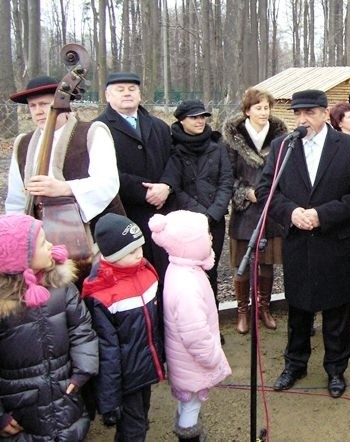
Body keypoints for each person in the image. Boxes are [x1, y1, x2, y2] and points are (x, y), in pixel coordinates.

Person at [256, 89, 350, 398]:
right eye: (297, 113)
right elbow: (266, 189)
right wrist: (293, 213)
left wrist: (322, 215)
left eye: (309, 112)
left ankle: (336, 369)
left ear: (325, 114)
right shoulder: (283, 146)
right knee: (298, 309)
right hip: (298, 242)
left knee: (336, 310)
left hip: (335, 242)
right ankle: (295, 364)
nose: (303, 118)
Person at [0, 214, 98, 440]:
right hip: (21, 409)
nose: (51, 246)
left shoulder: (60, 286)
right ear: (20, 259)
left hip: (66, 392)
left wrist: (83, 370)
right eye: (43, 243)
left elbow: (81, 328)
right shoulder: (5, 307)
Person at [81, 213, 165, 441]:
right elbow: (106, 350)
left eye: (140, 247)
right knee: (134, 429)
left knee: (140, 419)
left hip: (145, 368)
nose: (139, 254)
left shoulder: (147, 273)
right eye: (131, 251)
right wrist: (109, 400)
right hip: (125, 379)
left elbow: (156, 324)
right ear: (113, 255)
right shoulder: (102, 295)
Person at [149, 210, 231, 442]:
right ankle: (189, 436)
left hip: (185, 361)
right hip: (192, 361)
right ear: (189, 243)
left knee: (188, 402)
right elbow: (194, 334)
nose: (211, 237)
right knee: (191, 405)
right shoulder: (187, 285)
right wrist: (213, 357)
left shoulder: (182, 269)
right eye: (206, 234)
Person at [5, 75, 121, 233]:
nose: (38, 111)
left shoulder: (92, 132)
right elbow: (16, 199)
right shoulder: (23, 143)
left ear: (63, 103)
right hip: (40, 234)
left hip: (93, 231)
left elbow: (107, 183)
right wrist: (20, 232)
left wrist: (65, 188)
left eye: (44, 104)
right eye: (32, 106)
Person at [94, 72, 178, 287]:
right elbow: (103, 173)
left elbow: (174, 161)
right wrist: (145, 192)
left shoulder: (159, 126)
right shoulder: (97, 129)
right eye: (120, 89)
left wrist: (166, 186)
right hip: (126, 213)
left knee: (167, 275)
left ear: (140, 94)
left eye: (132, 89)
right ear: (107, 95)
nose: (127, 94)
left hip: (163, 211)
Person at [222, 88, 288, 334]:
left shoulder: (281, 137)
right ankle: (242, 310)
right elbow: (227, 174)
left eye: (267, 107)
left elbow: (287, 171)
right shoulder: (232, 138)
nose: (263, 112)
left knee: (267, 263)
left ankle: (264, 308)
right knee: (242, 262)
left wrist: (274, 194)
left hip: (271, 208)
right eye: (258, 108)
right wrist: (245, 193)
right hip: (245, 210)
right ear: (247, 111)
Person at [168, 100, 233, 308]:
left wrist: (212, 214)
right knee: (187, 272)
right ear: (181, 120)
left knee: (211, 271)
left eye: (202, 117)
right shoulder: (172, 147)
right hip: (185, 221)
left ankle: (211, 318)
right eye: (194, 117)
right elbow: (174, 187)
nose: (200, 121)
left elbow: (226, 181)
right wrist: (199, 216)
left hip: (214, 220)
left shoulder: (217, 146)